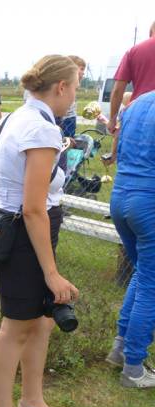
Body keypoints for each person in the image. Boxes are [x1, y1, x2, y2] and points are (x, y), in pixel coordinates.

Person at [0, 55, 80, 407]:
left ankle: (32, 400)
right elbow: (34, 207)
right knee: (17, 326)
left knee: (42, 320)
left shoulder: (13, 119)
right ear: (61, 87)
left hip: (18, 227)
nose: (74, 96)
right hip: (26, 231)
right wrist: (52, 272)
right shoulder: (40, 128)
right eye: (75, 87)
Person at [104, 91, 155, 387]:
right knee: (151, 284)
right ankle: (133, 367)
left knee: (143, 273)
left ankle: (120, 348)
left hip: (121, 195)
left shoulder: (136, 104)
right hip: (148, 200)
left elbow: (118, 146)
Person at [107, 21, 155, 134]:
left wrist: (112, 119)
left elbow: (118, 90)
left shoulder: (133, 51)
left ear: (151, 32)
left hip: (138, 115)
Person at [56, 56, 86, 138]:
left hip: (70, 119)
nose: (83, 73)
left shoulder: (73, 86)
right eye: (81, 69)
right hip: (64, 120)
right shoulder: (64, 86)